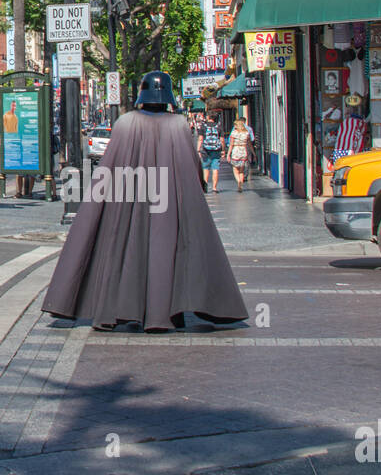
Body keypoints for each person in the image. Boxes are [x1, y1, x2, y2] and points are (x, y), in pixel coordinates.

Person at [42, 72, 248, 332]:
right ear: (168, 97)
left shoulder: (125, 122)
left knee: (124, 248)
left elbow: (110, 165)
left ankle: (118, 310)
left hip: (129, 197)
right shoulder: (178, 124)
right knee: (168, 251)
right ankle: (165, 312)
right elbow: (190, 165)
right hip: (167, 199)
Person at [197, 110, 224, 193]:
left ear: (208, 117)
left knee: (206, 168)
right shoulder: (219, 126)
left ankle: (205, 187)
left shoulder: (203, 126)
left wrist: (198, 149)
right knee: (215, 169)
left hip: (206, 150)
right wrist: (223, 150)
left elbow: (200, 139)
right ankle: (214, 188)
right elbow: (222, 140)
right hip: (216, 150)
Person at [227, 115, 254, 192]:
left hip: (236, 151)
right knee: (242, 170)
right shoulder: (246, 133)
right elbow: (250, 144)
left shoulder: (234, 133)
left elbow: (231, 144)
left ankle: (238, 181)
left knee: (235, 169)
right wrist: (253, 154)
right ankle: (241, 183)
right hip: (243, 151)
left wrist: (228, 154)